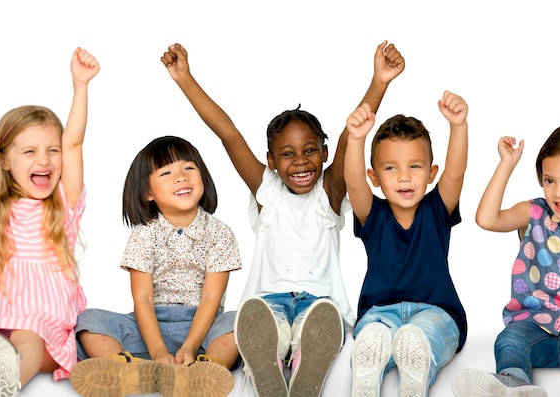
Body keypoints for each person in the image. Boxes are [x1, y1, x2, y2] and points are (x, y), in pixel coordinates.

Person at [160, 40, 403, 397]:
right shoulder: (267, 191)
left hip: (320, 305)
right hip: (267, 302)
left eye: (309, 151)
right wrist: (185, 78)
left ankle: (306, 365)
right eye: (287, 154)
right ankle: (268, 366)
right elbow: (228, 133)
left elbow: (353, 135)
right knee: (267, 329)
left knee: (316, 326)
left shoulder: (329, 193)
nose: (301, 162)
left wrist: (379, 81)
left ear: (323, 152)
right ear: (272, 162)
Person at [69, 136, 242, 397]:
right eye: (167, 172)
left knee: (238, 322)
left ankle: (206, 370)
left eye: (189, 168)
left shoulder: (220, 233)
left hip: (203, 326)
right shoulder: (144, 234)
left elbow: (211, 297)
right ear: (148, 193)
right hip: (149, 324)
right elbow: (143, 298)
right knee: (89, 319)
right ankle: (125, 367)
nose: (181, 177)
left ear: (202, 177)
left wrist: (190, 346)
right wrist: (158, 350)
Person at [452, 125, 560, 397]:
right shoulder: (534, 212)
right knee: (508, 341)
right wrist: (506, 164)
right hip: (535, 328)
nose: (558, 192)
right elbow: (487, 219)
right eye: (550, 180)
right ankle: (513, 384)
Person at [0, 47, 99, 395]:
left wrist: (80, 85)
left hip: (41, 321)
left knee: (27, 339)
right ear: (3, 162)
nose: (44, 160)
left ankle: (1, 384)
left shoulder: (64, 202)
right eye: (29, 151)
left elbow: (74, 142)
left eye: (52, 150)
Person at [344, 88, 469, 397]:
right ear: (375, 177)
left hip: (436, 310)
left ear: (431, 173)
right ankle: (366, 374)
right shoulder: (372, 215)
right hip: (379, 312)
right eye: (391, 168)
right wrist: (356, 139)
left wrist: (459, 126)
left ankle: (417, 364)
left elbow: (456, 174)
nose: (403, 177)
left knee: (424, 333)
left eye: (415, 166)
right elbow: (353, 182)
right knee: (374, 333)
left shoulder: (437, 209)